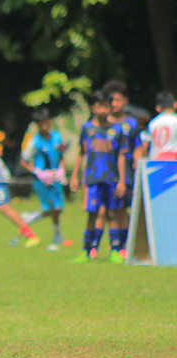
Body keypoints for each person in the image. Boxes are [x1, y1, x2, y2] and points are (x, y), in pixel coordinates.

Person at [69, 90, 128, 263]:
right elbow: (81, 152)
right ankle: (86, 251)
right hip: (93, 179)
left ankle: (115, 250)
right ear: (93, 107)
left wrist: (122, 180)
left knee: (113, 213)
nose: (103, 110)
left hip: (112, 179)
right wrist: (75, 176)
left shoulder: (117, 129)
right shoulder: (88, 128)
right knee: (92, 214)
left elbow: (122, 156)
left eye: (106, 106)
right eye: (99, 106)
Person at [20, 108, 68, 250]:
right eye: (40, 123)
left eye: (46, 122)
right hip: (42, 179)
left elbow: (60, 155)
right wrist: (37, 172)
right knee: (54, 207)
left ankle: (32, 219)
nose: (44, 125)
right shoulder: (34, 141)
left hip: (55, 176)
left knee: (57, 209)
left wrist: (61, 169)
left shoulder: (57, 137)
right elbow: (23, 161)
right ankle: (56, 234)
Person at [103, 80, 138, 256]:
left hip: (126, 175)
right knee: (110, 211)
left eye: (118, 100)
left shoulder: (131, 123)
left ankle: (124, 245)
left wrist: (137, 159)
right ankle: (117, 244)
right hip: (105, 173)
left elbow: (138, 146)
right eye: (111, 100)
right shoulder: (102, 123)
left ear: (125, 100)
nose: (114, 104)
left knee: (121, 209)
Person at [138, 91, 177, 161]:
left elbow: (144, 145)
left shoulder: (152, 123)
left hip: (155, 162)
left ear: (158, 108)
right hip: (173, 162)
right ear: (175, 104)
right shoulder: (175, 120)